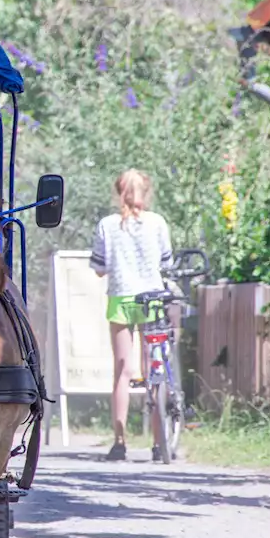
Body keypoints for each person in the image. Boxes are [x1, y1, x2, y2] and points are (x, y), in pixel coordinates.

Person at [90, 169, 173, 463]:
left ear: (118, 193)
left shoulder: (107, 225)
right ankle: (158, 442)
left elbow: (99, 267)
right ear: (146, 193)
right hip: (152, 297)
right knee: (154, 369)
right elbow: (167, 261)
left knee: (122, 371)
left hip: (121, 299)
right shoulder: (157, 223)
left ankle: (120, 441)